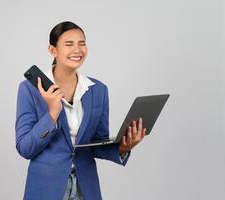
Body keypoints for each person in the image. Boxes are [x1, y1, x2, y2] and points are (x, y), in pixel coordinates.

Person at [15, 21, 146, 200]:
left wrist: (124, 147)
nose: (78, 50)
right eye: (69, 44)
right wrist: (53, 113)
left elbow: (96, 145)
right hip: (46, 188)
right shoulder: (30, 90)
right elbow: (25, 148)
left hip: (86, 188)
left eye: (82, 43)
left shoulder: (98, 90)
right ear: (53, 50)